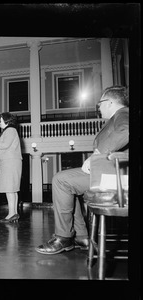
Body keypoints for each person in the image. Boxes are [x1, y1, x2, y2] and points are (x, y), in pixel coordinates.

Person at [35, 85, 129, 254]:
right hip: (108, 172)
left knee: (61, 180)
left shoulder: (123, 114)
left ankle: (64, 237)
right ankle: (81, 237)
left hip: (115, 175)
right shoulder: (117, 117)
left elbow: (127, 131)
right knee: (67, 182)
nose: (98, 108)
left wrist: (97, 154)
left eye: (99, 104)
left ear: (109, 102)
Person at [0, 112, 23, 223]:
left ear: (6, 121)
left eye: (1, 121)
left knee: (9, 188)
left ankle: (11, 214)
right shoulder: (10, 131)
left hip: (10, 161)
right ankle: (14, 213)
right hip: (12, 161)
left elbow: (5, 144)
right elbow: (3, 144)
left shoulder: (10, 130)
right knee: (13, 189)